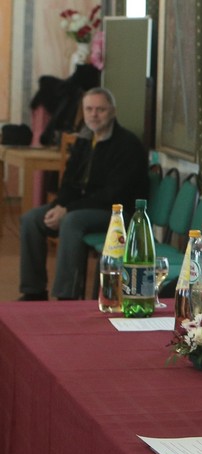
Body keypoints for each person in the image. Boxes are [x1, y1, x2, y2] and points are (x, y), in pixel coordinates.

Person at [18, 87, 147, 300]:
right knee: (32, 219)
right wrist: (58, 206)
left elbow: (113, 194)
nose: (94, 115)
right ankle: (33, 292)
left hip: (118, 212)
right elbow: (69, 183)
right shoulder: (85, 139)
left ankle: (66, 296)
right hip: (83, 207)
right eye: (89, 109)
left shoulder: (127, 145)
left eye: (100, 109)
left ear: (113, 111)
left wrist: (67, 210)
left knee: (71, 221)